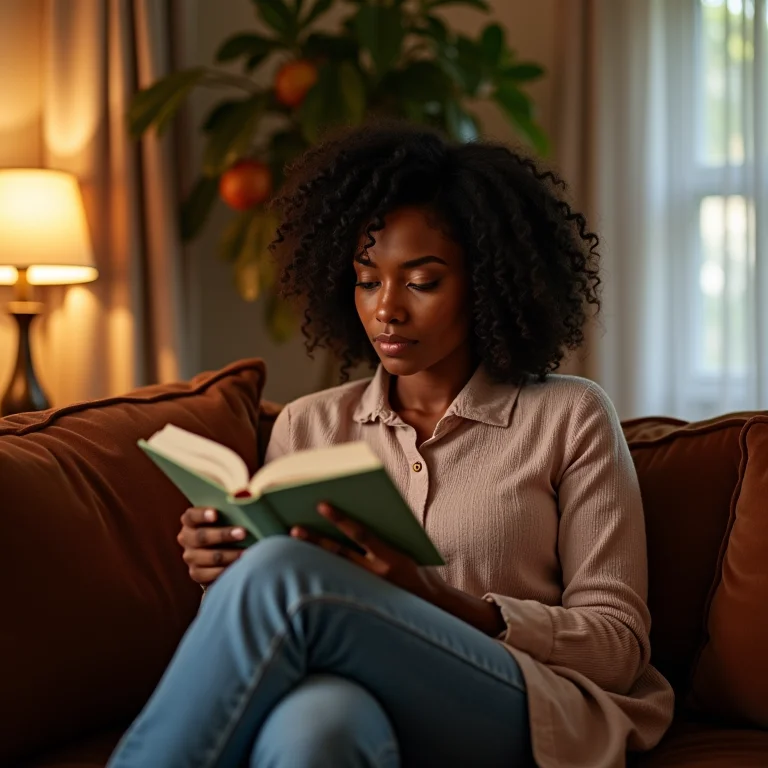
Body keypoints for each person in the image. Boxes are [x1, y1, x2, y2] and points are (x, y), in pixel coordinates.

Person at [108, 121, 674, 768]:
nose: (387, 310)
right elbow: (264, 634)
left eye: (422, 282)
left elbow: (617, 647)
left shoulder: (570, 416)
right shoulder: (308, 425)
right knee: (314, 730)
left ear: (489, 282)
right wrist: (223, 569)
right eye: (367, 280)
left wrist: (440, 600)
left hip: (523, 706)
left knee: (285, 578)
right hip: (359, 692)